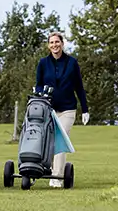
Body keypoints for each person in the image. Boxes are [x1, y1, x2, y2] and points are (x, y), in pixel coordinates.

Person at [35, 31, 89, 187]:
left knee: (60, 139)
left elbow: (79, 87)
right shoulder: (43, 63)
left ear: (62, 43)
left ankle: (57, 177)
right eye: (51, 43)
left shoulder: (72, 63)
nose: (54, 45)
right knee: (48, 141)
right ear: (48, 45)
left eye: (57, 42)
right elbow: (38, 84)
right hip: (49, 109)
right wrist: (42, 93)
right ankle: (49, 169)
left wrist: (85, 110)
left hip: (67, 109)